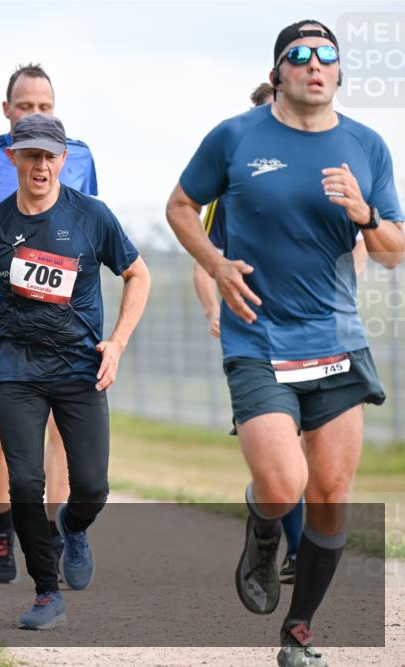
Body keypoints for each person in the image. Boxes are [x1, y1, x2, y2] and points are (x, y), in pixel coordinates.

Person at [166, 20, 404, 666]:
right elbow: (181, 207)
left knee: (331, 492)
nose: (314, 65)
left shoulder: (367, 147)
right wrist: (215, 266)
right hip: (258, 335)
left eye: (327, 56)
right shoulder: (235, 138)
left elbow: (392, 251)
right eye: (299, 56)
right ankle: (264, 524)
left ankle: (298, 631)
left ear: (339, 73)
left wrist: (366, 214)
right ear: (279, 73)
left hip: (336, 338)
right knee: (283, 479)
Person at [0, 114, 150, 629]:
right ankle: (45, 593)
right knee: (25, 482)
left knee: (92, 488)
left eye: (50, 156)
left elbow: (137, 274)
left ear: (63, 160)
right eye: (30, 154)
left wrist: (118, 343)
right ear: (13, 156)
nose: (40, 165)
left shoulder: (91, 216)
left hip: (81, 368)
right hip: (16, 367)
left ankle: (74, 528)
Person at [0, 63, 98, 583]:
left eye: (44, 106)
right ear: (6, 111)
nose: (34, 113)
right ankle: (3, 525)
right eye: (24, 106)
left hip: (64, 321)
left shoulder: (80, 157)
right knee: (3, 430)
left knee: (56, 429)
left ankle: (56, 528)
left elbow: (89, 225)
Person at [191, 82, 307, 585]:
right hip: (254, 335)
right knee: (284, 448)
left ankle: (292, 544)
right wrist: (215, 306)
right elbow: (203, 256)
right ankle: (294, 547)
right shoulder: (229, 187)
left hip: (313, 331)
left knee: (304, 452)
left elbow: (363, 242)